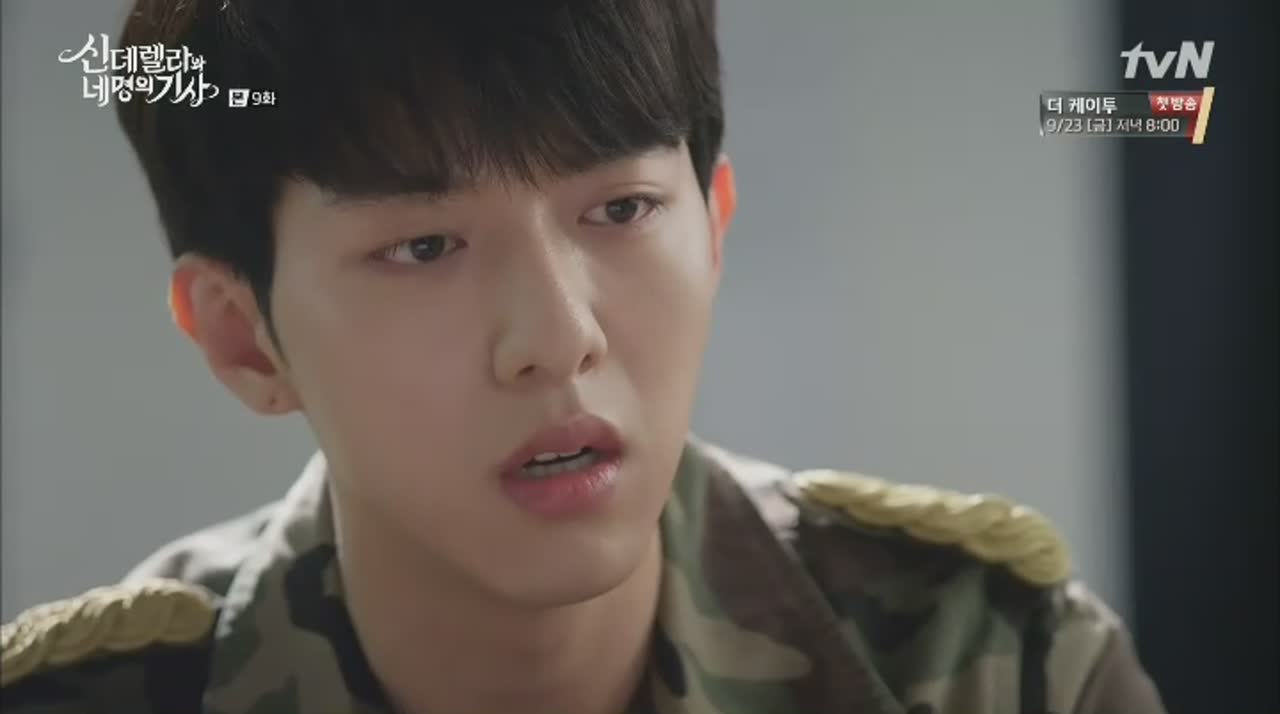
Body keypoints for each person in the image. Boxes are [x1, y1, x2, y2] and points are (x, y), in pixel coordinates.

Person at [0, 1, 1166, 713]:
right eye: (422, 246)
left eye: (619, 211)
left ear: (712, 228)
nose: (557, 339)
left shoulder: (990, 670)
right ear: (241, 335)